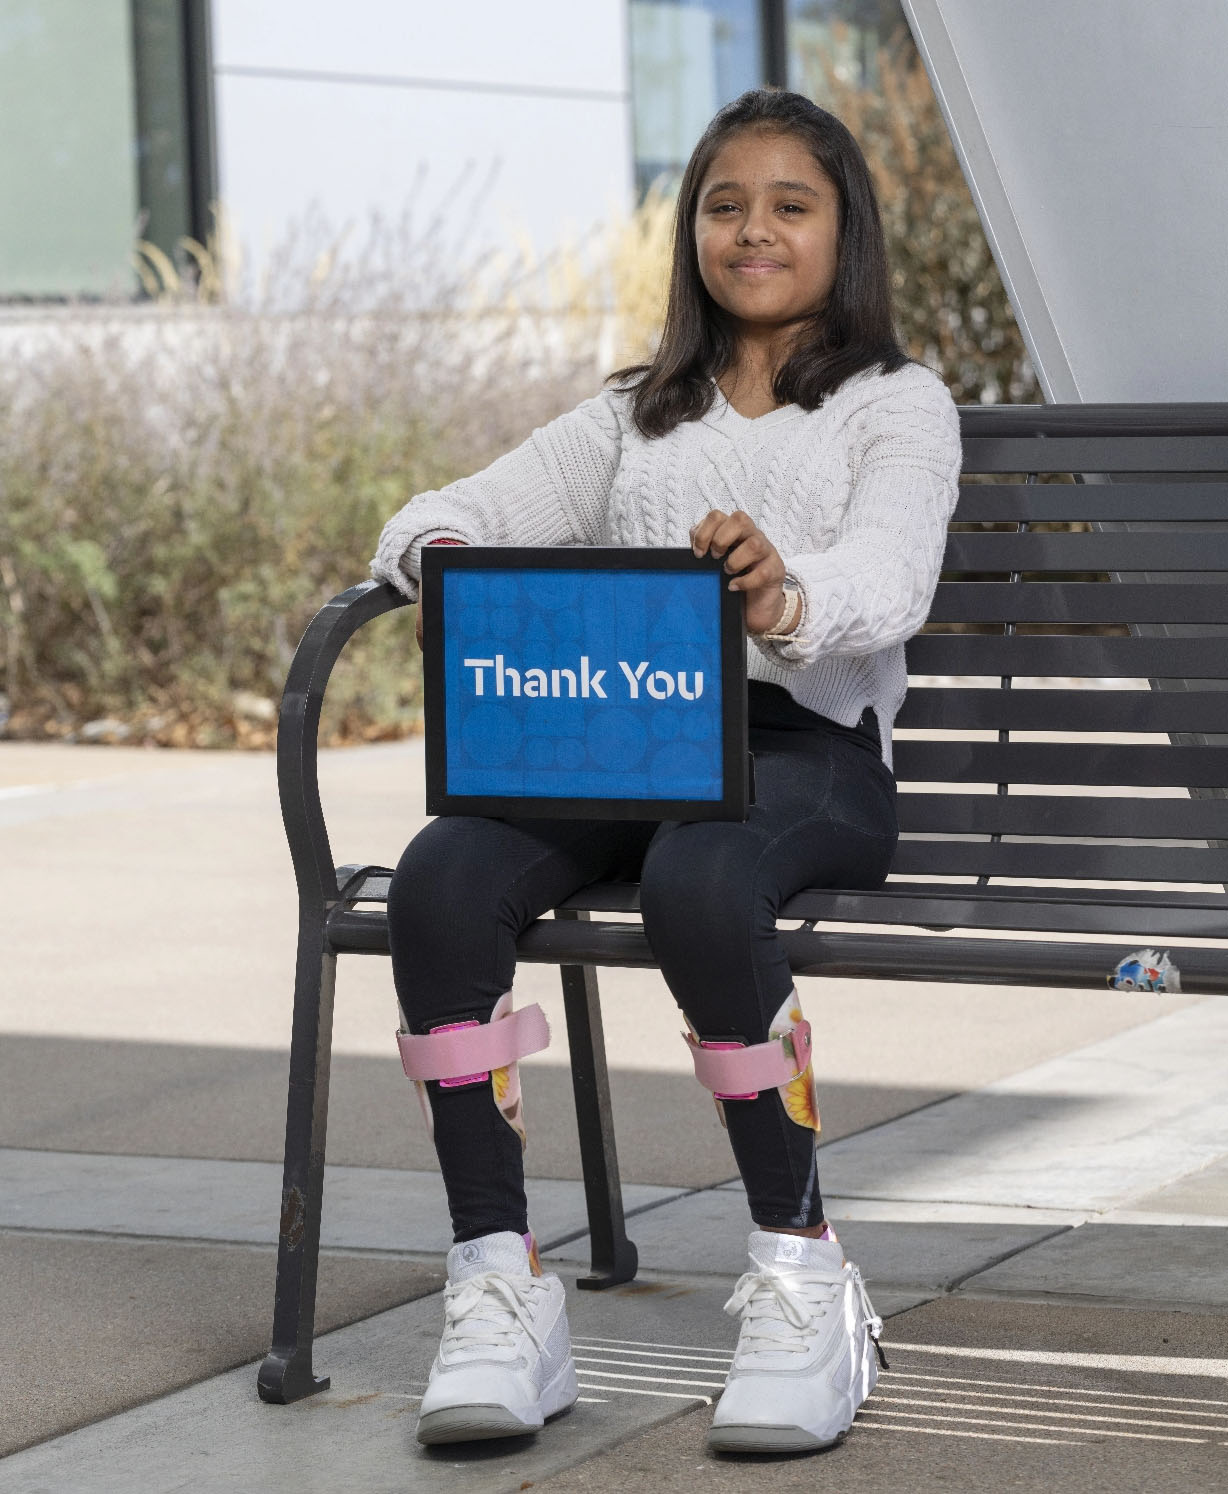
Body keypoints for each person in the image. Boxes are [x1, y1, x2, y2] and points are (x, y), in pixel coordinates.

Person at [369, 86, 962, 1454]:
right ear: (693, 228)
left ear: (843, 230)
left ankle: (804, 1272)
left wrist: (781, 591)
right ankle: (500, 1280)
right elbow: (439, 514)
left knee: (703, 875)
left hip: (804, 755)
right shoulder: (637, 413)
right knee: (442, 875)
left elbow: (889, 574)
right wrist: (443, 561)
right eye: (723, 203)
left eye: (788, 205)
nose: (752, 229)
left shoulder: (896, 404)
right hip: (627, 741)